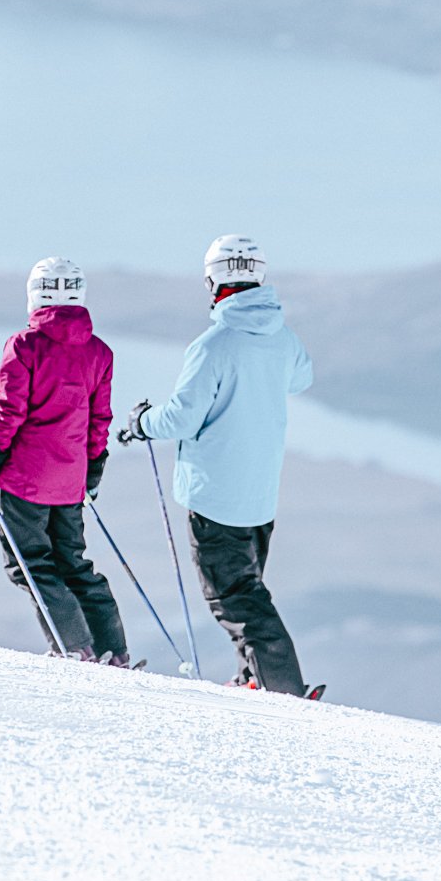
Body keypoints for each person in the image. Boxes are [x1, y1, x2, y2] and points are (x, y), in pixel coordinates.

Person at [118, 235, 314, 695]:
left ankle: (282, 685)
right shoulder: (281, 338)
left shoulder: (215, 345)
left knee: (233, 598)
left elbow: (183, 417)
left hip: (215, 494)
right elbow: (303, 377)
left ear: (214, 280)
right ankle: (253, 676)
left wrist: (141, 422)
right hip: (260, 494)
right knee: (248, 585)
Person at [0, 257, 129, 664]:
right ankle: (113, 647)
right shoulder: (99, 352)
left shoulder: (24, 346)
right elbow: (99, 419)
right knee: (73, 562)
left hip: (25, 478)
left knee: (31, 564)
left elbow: (9, 411)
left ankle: (73, 646)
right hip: (70, 480)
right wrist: (93, 469)